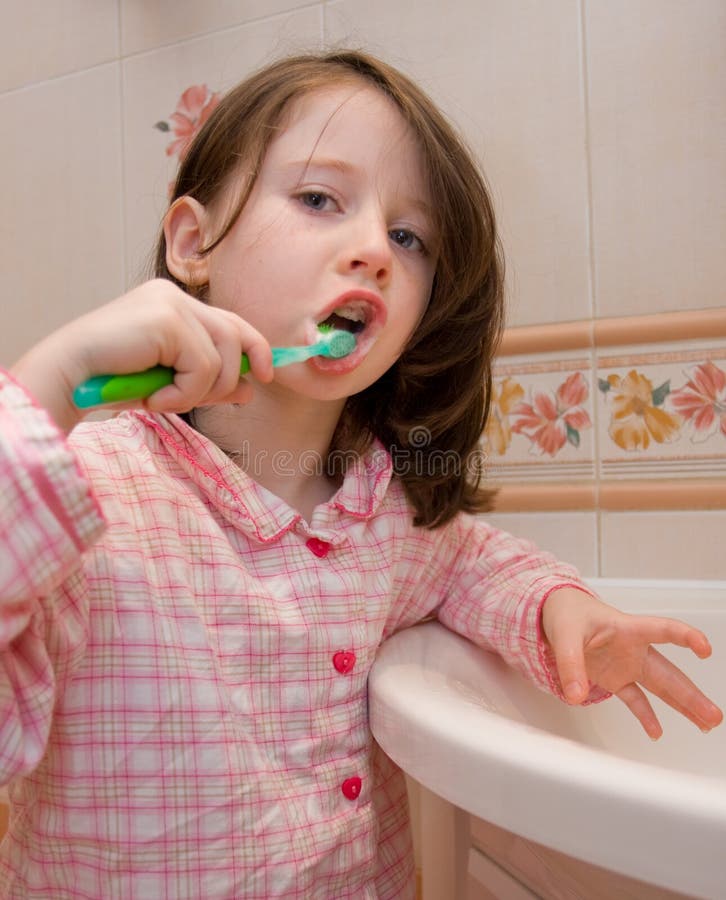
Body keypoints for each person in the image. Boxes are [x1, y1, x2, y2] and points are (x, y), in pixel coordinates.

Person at [1, 49, 721, 899]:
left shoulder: (388, 514)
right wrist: (56, 373)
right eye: (318, 199)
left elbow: (475, 564)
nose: (374, 248)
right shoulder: (88, 494)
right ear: (193, 243)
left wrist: (564, 609)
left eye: (409, 236)